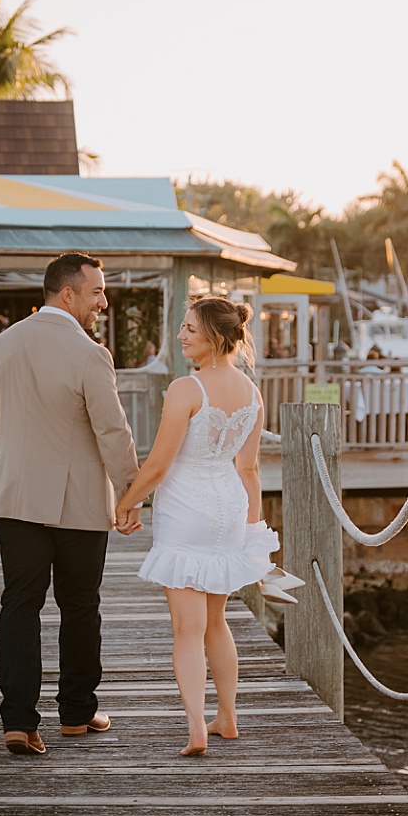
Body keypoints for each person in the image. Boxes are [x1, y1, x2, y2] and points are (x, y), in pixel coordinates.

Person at [0, 252, 138, 754]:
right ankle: (76, 713)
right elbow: (111, 430)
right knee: (80, 604)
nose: (103, 302)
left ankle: (20, 722)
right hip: (78, 499)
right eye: (96, 292)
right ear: (67, 294)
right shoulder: (90, 353)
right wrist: (130, 492)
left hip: (16, 492)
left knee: (19, 605)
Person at [113, 297, 276, 756]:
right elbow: (249, 469)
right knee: (216, 621)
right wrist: (252, 530)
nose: (181, 336)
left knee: (187, 628)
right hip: (227, 507)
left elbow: (159, 464)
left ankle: (195, 728)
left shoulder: (186, 388)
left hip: (185, 509)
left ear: (216, 338)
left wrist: (125, 503)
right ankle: (227, 716)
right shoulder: (251, 392)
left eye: (189, 330)